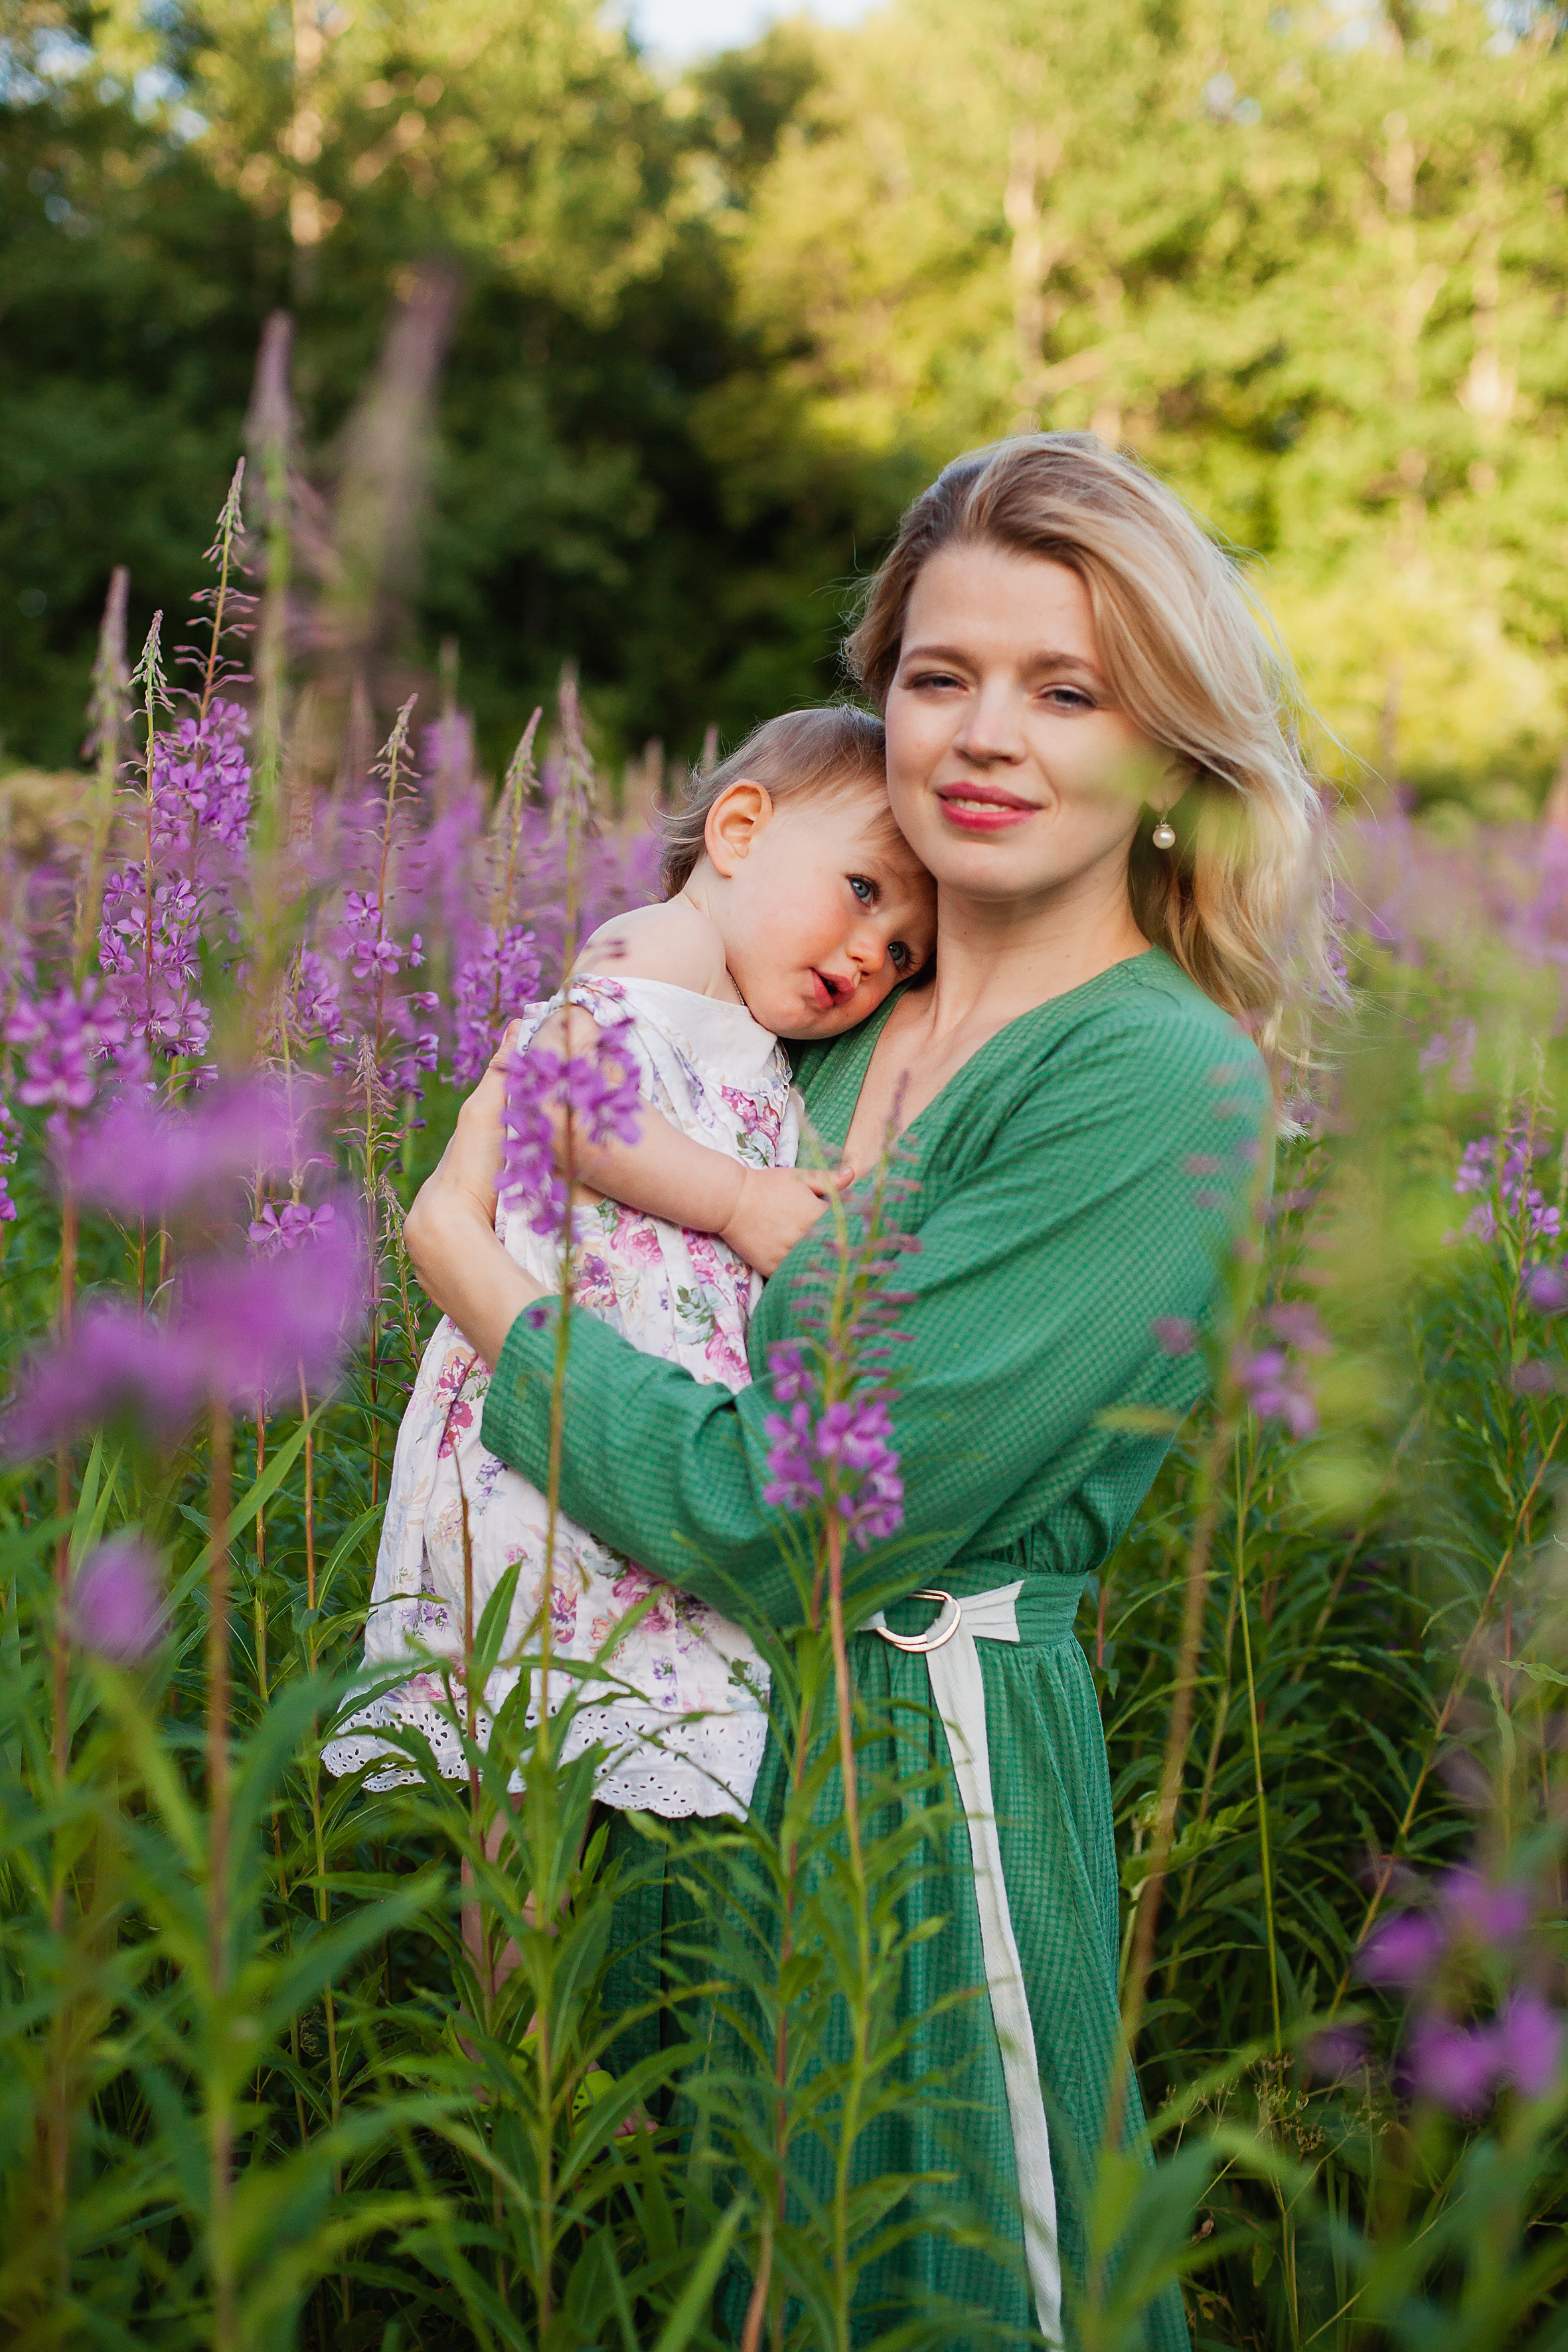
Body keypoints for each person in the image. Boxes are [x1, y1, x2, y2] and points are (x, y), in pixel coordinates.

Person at [400, 433, 1332, 2349]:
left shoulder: (1151, 1080)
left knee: (923, 2284)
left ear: (1169, 748)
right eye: (937, 676)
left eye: (1066, 690)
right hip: (651, 1763)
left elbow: (789, 1515)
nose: (986, 734)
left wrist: (477, 1284)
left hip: (913, 1804)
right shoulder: (799, 1017)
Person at [323, 706, 936, 1820]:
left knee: (568, 1759)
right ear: (739, 832)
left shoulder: (743, 1014)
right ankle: (516, 1992)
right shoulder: (670, 947)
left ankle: (541, 1985)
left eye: (901, 950)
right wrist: (744, 1194)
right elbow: (561, 1103)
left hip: (610, 1434)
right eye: (862, 890)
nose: (870, 952)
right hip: (541, 1446)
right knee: (520, 1769)